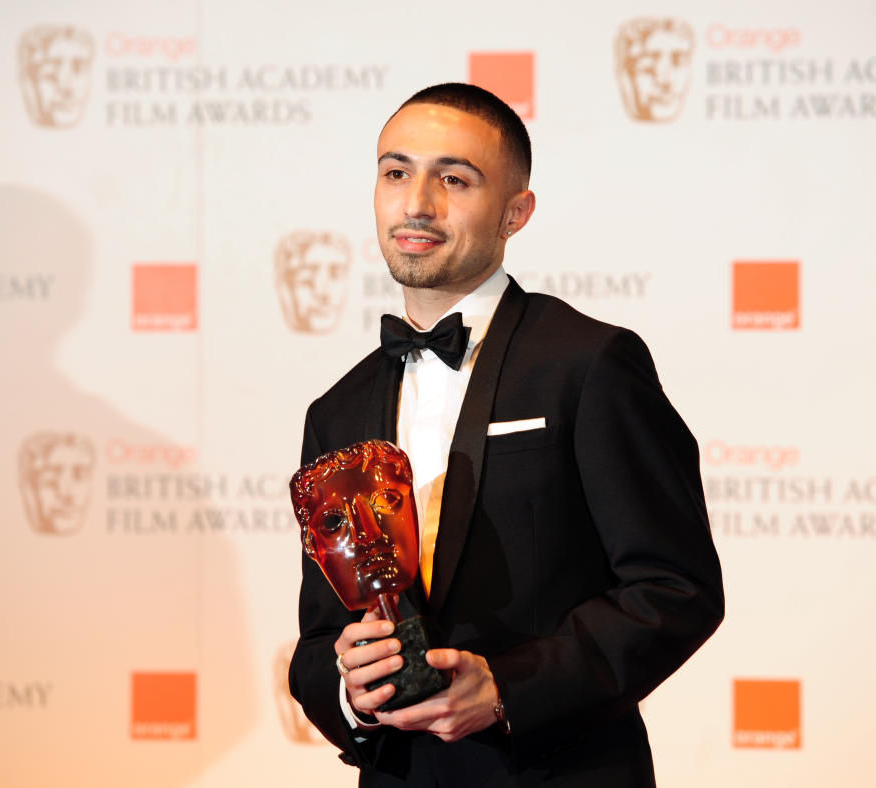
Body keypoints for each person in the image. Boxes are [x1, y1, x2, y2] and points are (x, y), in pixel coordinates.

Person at [289, 82, 724, 787]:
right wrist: (350, 692)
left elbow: (675, 587)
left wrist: (508, 689)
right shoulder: (336, 410)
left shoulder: (589, 365)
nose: (417, 203)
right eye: (396, 172)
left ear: (515, 212)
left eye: (454, 179)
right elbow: (316, 637)